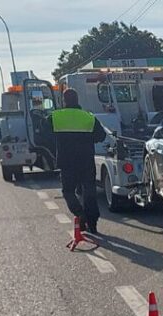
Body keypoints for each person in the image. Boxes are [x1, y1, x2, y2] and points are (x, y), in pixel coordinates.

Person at [49, 88, 106, 234]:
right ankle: (92, 223)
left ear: (64, 100)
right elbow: (101, 136)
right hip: (86, 161)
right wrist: (87, 140)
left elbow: (42, 132)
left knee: (68, 191)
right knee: (89, 191)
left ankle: (80, 214)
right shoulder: (88, 117)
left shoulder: (56, 117)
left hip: (66, 162)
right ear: (77, 100)